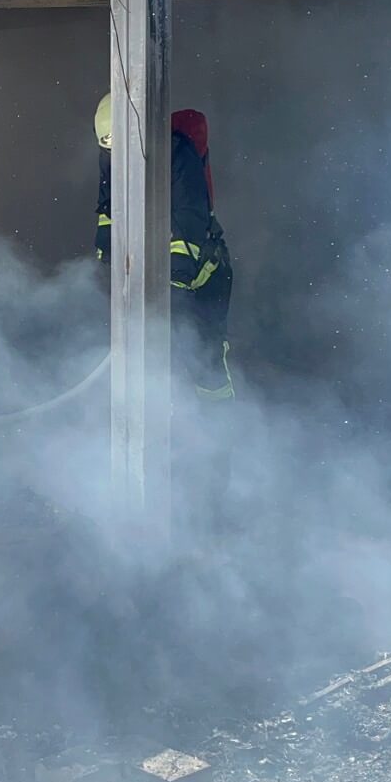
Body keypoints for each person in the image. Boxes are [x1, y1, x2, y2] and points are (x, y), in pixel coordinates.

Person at [92, 94, 235, 526]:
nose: (113, 156)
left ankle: (215, 443)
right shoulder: (113, 155)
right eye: (107, 148)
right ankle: (160, 444)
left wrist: (169, 282)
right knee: (155, 364)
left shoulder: (175, 153)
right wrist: (107, 264)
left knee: (202, 360)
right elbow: (107, 214)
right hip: (157, 281)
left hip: (204, 279)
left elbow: (188, 223)